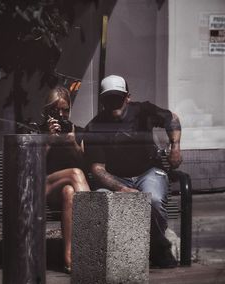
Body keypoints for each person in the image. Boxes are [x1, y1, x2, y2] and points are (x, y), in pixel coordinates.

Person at [83, 75, 182, 268]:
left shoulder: (142, 111)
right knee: (101, 201)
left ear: (127, 97)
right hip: (116, 178)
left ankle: (157, 242)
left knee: (151, 198)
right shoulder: (95, 126)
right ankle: (150, 248)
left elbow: (173, 118)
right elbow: (97, 169)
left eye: (118, 98)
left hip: (148, 171)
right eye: (108, 98)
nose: (114, 103)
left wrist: (175, 147)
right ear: (102, 101)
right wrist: (121, 188)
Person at [41, 86, 90, 273]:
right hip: (43, 186)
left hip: (64, 191)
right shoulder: (39, 130)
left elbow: (87, 165)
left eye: (65, 110)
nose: (61, 115)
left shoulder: (76, 131)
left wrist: (73, 145)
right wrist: (49, 141)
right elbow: (33, 167)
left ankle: (69, 258)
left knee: (70, 191)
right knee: (75, 174)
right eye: (56, 110)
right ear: (48, 110)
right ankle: (92, 235)